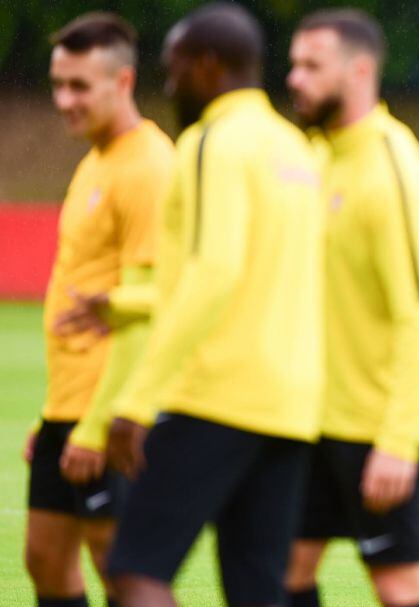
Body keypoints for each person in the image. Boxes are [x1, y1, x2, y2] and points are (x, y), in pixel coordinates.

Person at [101, 4, 324, 605]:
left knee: (134, 572)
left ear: (207, 65)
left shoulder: (211, 141)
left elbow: (216, 270)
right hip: (291, 405)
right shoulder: (294, 148)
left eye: (174, 70)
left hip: (216, 395)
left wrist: (138, 399)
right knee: (257, 590)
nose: (169, 86)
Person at [285, 9, 419, 607]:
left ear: (358, 70)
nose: (294, 78)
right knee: (283, 573)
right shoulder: (317, 156)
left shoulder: (391, 168)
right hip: (307, 421)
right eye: (293, 63)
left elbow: (418, 312)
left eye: (311, 66)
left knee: (397, 585)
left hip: (376, 427)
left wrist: (399, 438)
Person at [27, 12, 174, 607]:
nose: (65, 100)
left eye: (79, 86)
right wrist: (54, 416)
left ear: (123, 82)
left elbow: (156, 304)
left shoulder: (148, 167)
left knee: (123, 571)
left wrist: (94, 425)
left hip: (113, 413)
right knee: (44, 558)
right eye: (58, 84)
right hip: (71, 405)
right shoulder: (97, 160)